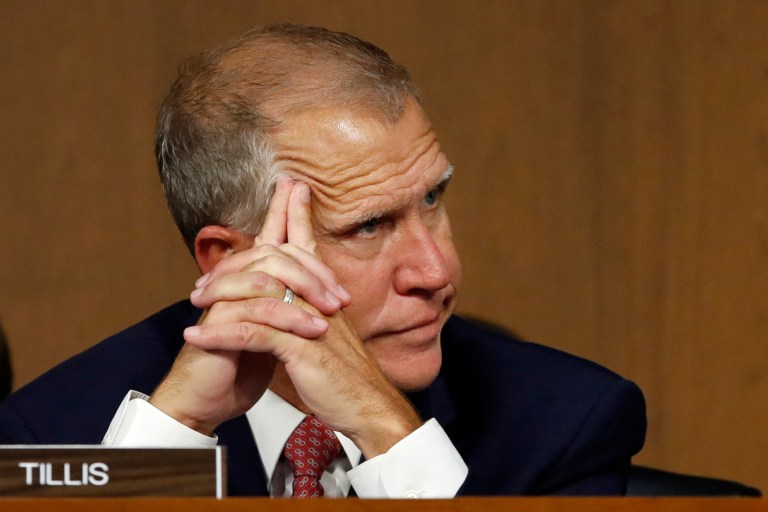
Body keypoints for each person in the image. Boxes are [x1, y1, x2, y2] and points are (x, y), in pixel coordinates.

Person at [0, 24, 645, 498]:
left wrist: (385, 429)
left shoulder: (568, 422)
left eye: (432, 199)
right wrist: (178, 432)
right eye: (368, 226)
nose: (437, 272)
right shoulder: (51, 434)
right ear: (233, 259)